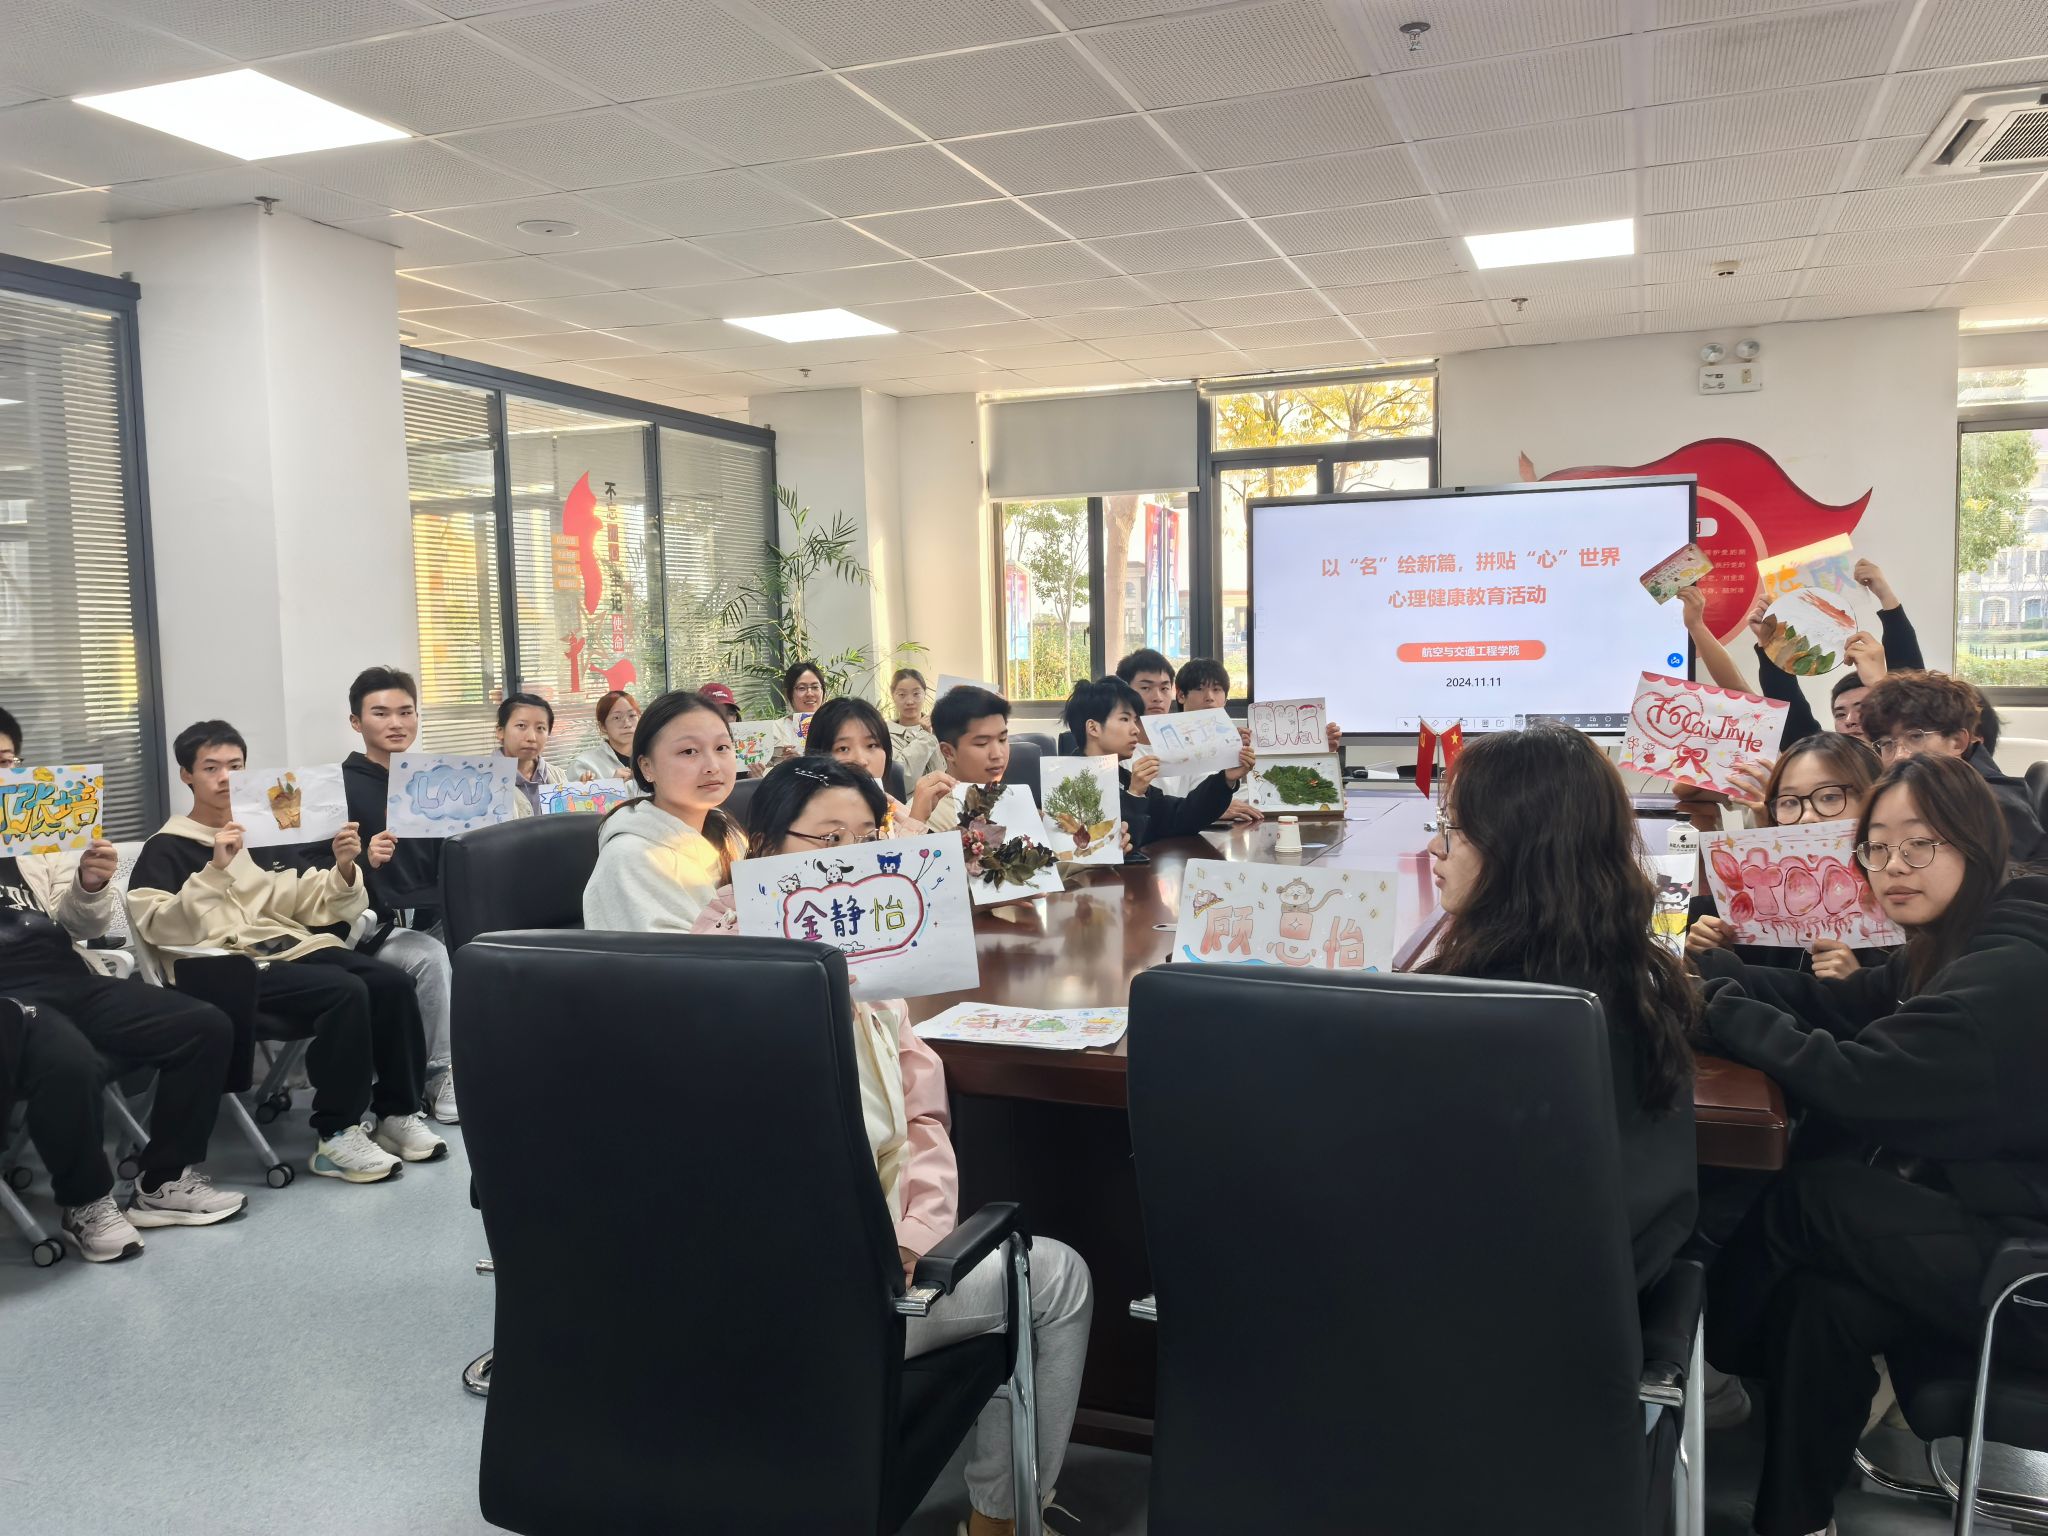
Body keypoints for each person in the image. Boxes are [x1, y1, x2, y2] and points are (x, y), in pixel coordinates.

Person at [690, 757, 1093, 1536]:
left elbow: (924, 1117)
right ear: (765, 849)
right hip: (802, 1290)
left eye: (867, 838)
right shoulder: (724, 970)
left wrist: (915, 1236)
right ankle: (1003, 1517)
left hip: (881, 1266)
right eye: (827, 840)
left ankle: (997, 1512)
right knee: (1055, 1279)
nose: (851, 858)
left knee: (1017, 1261)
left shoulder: (869, 952)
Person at [1697, 752, 2048, 1536]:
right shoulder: (1957, 941)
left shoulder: (2007, 974)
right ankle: (1794, 1521)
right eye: (1878, 847)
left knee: (1814, 1196)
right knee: (1823, 1305)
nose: (1894, 866)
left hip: (2030, 1274)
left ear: (1977, 843)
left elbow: (1859, 1080)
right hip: (1997, 1223)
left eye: (1920, 843)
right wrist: (1707, 975)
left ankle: (1708, 1355)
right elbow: (1837, 1003)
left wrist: (1718, 1010)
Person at [1416, 724, 1698, 1294]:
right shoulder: (1635, 970)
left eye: (1455, 828)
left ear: (1520, 848)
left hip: (1488, 1307)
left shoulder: (1472, 1010)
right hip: (1611, 1299)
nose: (1435, 847)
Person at [128, 720, 443, 1182]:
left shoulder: (256, 834)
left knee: (391, 982)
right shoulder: (166, 847)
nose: (225, 778)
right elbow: (158, 926)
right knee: (344, 990)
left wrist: (343, 867)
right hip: (219, 968)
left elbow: (299, 900)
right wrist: (214, 870)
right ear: (186, 775)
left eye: (235, 766)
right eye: (211, 768)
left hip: (284, 950)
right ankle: (337, 1133)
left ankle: (397, 1112)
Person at [0, 709, 244, 1259]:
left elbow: (79, 926)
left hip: (68, 977)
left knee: (203, 1023)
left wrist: (89, 885)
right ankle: (86, 1201)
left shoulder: (36, 837)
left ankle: (163, 1181)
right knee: (71, 1061)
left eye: (9, 761)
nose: (5, 773)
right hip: (9, 1000)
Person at [340, 665, 458, 1123]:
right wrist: (363, 859)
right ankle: (438, 1076)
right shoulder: (340, 787)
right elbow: (318, 870)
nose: (396, 723)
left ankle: (489, 1059)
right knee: (430, 957)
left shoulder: (434, 780)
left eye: (406, 712)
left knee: (493, 941)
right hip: (371, 925)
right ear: (356, 722)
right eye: (381, 713)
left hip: (435, 911)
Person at [1686, 733, 1889, 975]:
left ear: (1875, 800)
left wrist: (1862, 984)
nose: (1807, 817)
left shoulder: (1903, 897)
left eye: (1830, 797)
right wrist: (1717, 951)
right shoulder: (1750, 901)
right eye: (1789, 802)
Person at [583, 690, 745, 932]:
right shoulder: (628, 858)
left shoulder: (728, 832)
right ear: (647, 767)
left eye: (721, 747)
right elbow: (664, 955)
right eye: (689, 751)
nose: (712, 766)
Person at [1857, 669, 2046, 865]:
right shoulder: (1911, 794)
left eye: (1915, 736)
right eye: (1887, 744)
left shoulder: (1995, 807)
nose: (1899, 756)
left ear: (1957, 742)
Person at [1752, 558, 1923, 747]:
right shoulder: (1825, 757)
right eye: (1840, 714)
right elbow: (1791, 714)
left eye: (1863, 709)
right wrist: (1771, 644)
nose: (1850, 720)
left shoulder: (1908, 756)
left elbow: (1913, 697)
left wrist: (1885, 595)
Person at [1064, 677, 1244, 847]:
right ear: (1093, 728)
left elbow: (1181, 816)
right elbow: (1107, 848)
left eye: (1135, 720)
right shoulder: (1067, 784)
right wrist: (1134, 794)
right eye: (1125, 719)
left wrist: (1226, 780)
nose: (1135, 729)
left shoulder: (1123, 777)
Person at [804, 696, 954, 833]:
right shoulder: (807, 822)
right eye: (843, 748)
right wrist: (916, 821)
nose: (861, 760)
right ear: (817, 757)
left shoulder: (889, 805)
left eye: (871, 745)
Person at [923, 686, 1013, 836]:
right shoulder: (928, 815)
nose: (997, 754)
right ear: (948, 752)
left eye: (1002, 739)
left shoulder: (1016, 800)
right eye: (982, 743)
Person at [499, 692, 568, 817]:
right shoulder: (480, 782)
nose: (532, 737)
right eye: (521, 726)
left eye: (540, 728)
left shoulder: (558, 776)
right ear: (500, 731)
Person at [889, 668, 943, 783]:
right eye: (902, 695)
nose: (910, 701)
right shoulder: (884, 734)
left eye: (916, 694)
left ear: (924, 693)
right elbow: (902, 778)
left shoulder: (938, 728)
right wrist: (925, 736)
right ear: (893, 696)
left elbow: (943, 773)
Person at [572, 690, 639, 782]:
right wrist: (612, 786)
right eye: (617, 717)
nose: (627, 724)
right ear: (602, 726)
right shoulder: (584, 764)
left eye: (632, 715)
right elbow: (572, 791)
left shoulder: (653, 757)